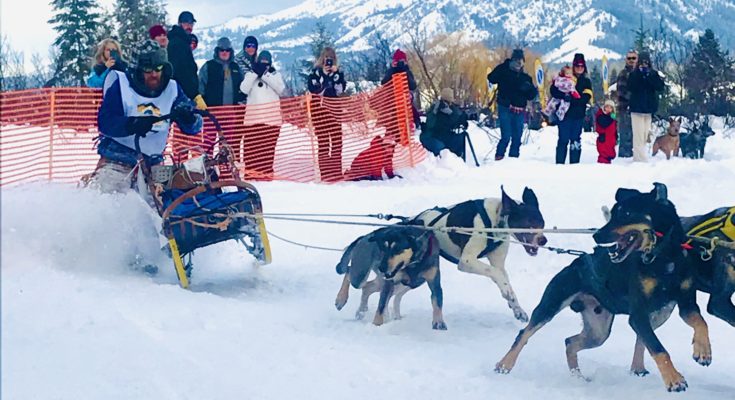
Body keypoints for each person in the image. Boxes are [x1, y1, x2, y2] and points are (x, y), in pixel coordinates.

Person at [88, 39, 202, 193]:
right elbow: (106, 122)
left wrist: (189, 118)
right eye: (148, 70)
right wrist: (132, 124)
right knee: (109, 199)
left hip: (154, 164)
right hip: (117, 159)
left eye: (159, 68)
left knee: (171, 200)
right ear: (137, 70)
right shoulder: (121, 84)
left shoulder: (173, 89)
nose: (154, 74)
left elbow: (195, 127)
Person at [239, 50, 286, 179]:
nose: (264, 64)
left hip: (271, 122)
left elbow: (281, 89)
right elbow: (243, 89)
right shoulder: (250, 74)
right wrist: (255, 73)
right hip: (252, 121)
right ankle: (251, 177)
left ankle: (266, 178)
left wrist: (265, 75)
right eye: (261, 62)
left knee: (267, 153)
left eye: (266, 62)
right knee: (251, 153)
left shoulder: (275, 74)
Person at [487, 49, 538, 160]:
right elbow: (491, 78)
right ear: (511, 60)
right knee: (506, 136)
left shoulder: (526, 78)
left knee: (517, 137)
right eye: (516, 61)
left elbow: (531, 96)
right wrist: (504, 67)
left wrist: (530, 89)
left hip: (519, 110)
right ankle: (499, 157)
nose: (518, 64)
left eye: (521, 61)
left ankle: (513, 160)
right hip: (505, 107)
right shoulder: (504, 71)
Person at [308, 47, 347, 182]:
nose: (328, 61)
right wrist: (324, 77)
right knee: (323, 142)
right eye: (326, 58)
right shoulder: (315, 72)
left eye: (331, 58)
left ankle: (336, 171)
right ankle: (325, 173)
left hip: (335, 111)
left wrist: (337, 76)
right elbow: (313, 89)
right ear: (322, 59)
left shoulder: (338, 73)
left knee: (337, 141)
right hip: (319, 111)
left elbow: (340, 90)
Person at [551, 53, 592, 164]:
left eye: (582, 66)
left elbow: (586, 97)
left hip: (578, 115)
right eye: (577, 65)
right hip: (564, 114)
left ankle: (575, 164)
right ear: (573, 66)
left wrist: (572, 99)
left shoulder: (586, 81)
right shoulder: (565, 77)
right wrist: (564, 96)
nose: (579, 68)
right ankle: (559, 163)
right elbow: (553, 91)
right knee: (563, 139)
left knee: (576, 139)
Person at [628, 51, 665, 162]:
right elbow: (630, 87)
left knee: (644, 135)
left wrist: (650, 76)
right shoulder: (634, 74)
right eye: (642, 62)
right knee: (638, 135)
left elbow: (660, 87)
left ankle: (640, 156)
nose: (644, 65)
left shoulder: (653, 74)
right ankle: (639, 159)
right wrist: (639, 75)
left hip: (648, 109)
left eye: (646, 63)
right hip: (636, 109)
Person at [168, 11, 206, 110]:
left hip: (182, 92)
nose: (189, 26)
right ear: (180, 23)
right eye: (186, 23)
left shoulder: (183, 41)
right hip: (180, 94)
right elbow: (183, 72)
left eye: (191, 23)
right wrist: (194, 94)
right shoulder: (178, 43)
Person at [420, 88, 468, 160]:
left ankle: (458, 160)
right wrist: (435, 112)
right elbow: (430, 124)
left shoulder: (451, 108)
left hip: (445, 136)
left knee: (460, 138)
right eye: (446, 102)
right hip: (432, 136)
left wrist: (452, 114)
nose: (448, 104)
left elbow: (458, 118)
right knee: (440, 147)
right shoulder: (435, 108)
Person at [198, 37, 244, 106]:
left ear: (231, 52)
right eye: (222, 50)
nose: (224, 52)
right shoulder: (208, 66)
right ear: (217, 51)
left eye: (227, 50)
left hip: (234, 110)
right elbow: (200, 86)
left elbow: (243, 87)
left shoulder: (236, 67)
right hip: (212, 109)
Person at [616, 50, 637, 158]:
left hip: (636, 109)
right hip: (625, 108)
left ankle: (633, 154)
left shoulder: (638, 73)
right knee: (625, 133)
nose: (631, 60)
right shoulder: (623, 74)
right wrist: (635, 98)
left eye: (633, 58)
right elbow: (621, 92)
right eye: (629, 58)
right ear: (626, 60)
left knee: (635, 134)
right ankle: (624, 156)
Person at [595, 100, 617, 164]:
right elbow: (604, 123)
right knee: (604, 153)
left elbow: (614, 128)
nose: (608, 109)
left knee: (609, 152)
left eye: (610, 107)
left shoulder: (612, 117)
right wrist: (611, 118)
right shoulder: (601, 115)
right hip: (604, 138)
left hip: (610, 139)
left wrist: (616, 136)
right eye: (607, 107)